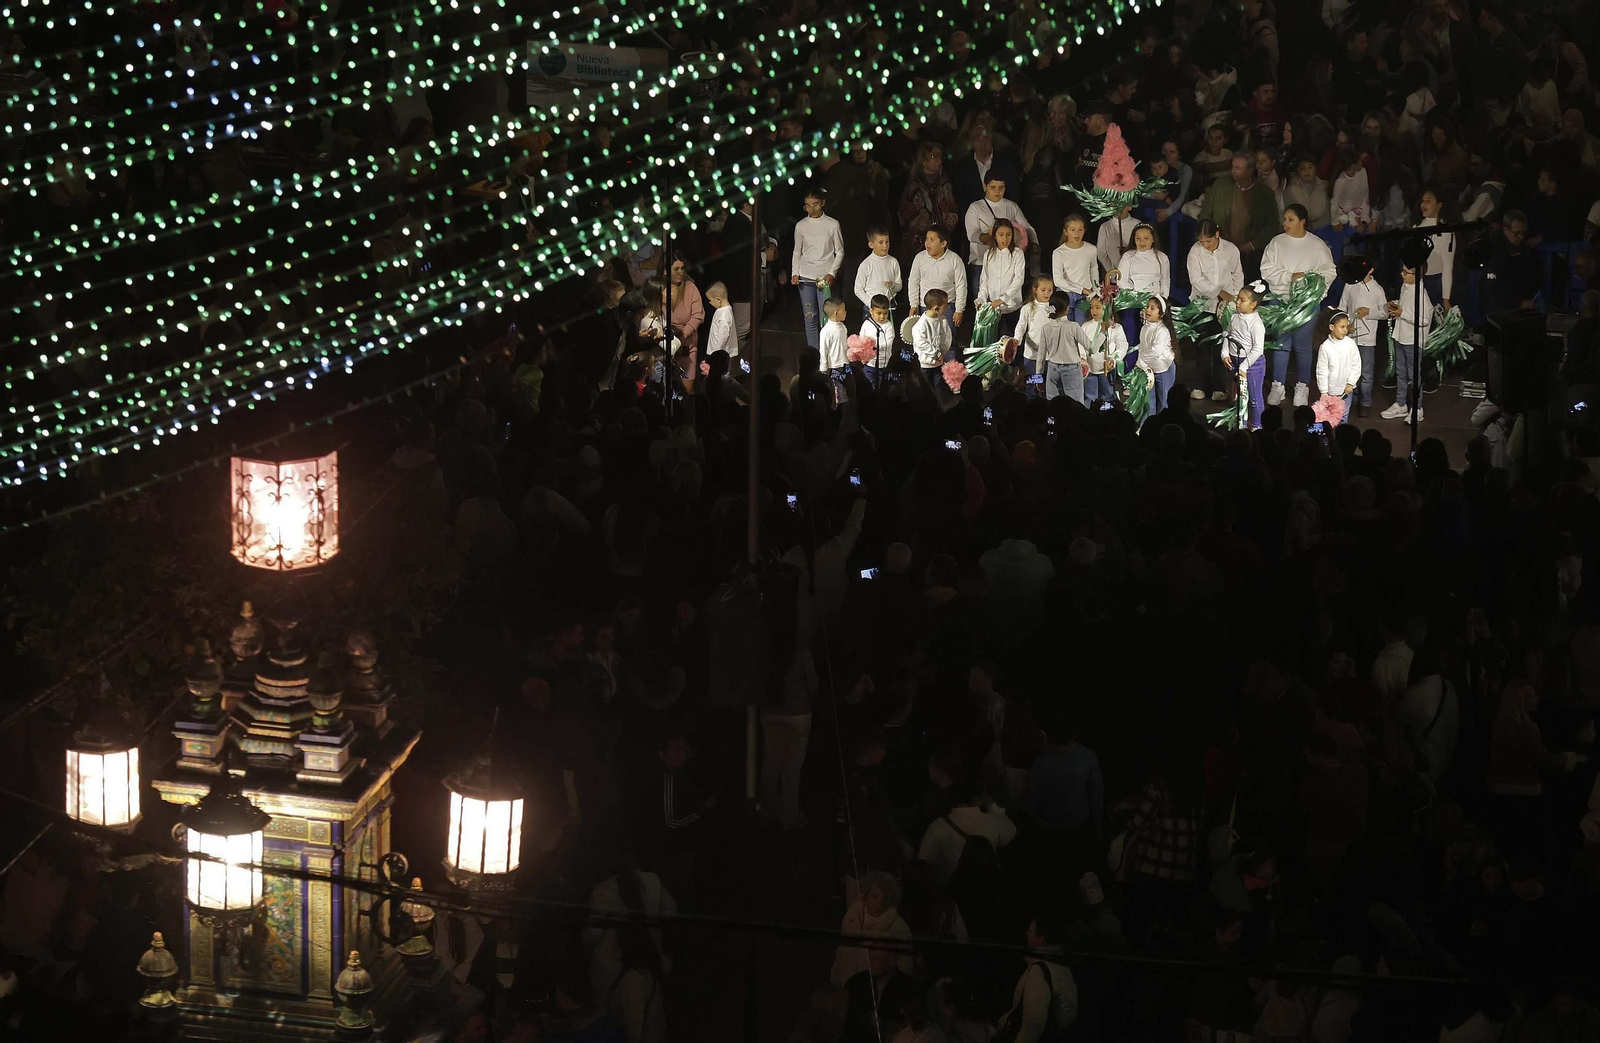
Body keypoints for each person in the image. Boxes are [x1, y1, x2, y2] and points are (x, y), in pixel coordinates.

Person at [1260, 203, 1337, 407]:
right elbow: (1267, 269)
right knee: (1281, 344)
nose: (1286, 223)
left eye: (1291, 219)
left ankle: (1302, 386)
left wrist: (1313, 292)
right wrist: (1290, 276)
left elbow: (1329, 272)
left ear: (1302, 222)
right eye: (1285, 219)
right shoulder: (1276, 243)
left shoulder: (1317, 245)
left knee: (1303, 346)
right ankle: (1278, 385)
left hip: (1306, 304)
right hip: (1282, 301)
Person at [916, 774, 1017, 885]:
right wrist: (991, 805)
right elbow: (1011, 831)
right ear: (982, 794)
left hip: (952, 890)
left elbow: (923, 864)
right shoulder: (993, 822)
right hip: (988, 888)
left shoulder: (937, 827)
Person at [996, 913, 1078, 1042]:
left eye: (1030, 930)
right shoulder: (1060, 965)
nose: (1026, 933)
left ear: (1041, 938)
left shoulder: (1039, 972)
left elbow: (1033, 1024)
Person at [1198, 154, 1281, 280]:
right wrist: (1211, 239)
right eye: (1232, 167)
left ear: (1250, 170)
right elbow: (1206, 212)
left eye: (1238, 168)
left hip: (1250, 256)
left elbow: (1273, 224)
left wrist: (1252, 245)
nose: (1233, 171)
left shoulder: (1264, 194)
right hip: (1220, 249)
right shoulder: (1221, 185)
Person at [1187, 220, 1244, 402]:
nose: (1204, 245)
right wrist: (1218, 292)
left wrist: (1235, 298)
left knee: (1221, 345)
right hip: (1202, 304)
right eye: (1201, 241)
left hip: (1225, 306)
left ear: (1217, 235)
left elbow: (1237, 274)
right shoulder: (1195, 251)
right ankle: (1200, 385)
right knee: (1202, 345)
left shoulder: (1231, 250)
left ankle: (1219, 386)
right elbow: (1196, 279)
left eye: (1208, 241)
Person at [829, 870, 914, 986]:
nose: (879, 903)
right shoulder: (851, 916)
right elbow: (841, 954)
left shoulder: (899, 928)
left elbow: (905, 969)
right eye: (874, 896)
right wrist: (835, 980)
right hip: (846, 988)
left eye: (884, 899)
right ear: (866, 895)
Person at [791, 188, 844, 349]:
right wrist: (795, 273)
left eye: (815, 204)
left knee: (826, 317)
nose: (811, 209)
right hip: (805, 277)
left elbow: (840, 251)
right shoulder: (801, 225)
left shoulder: (832, 224)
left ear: (823, 203)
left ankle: (827, 352)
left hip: (824, 278)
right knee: (810, 317)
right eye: (807, 206)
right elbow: (797, 251)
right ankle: (813, 352)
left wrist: (832, 273)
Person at [1381, 265, 1433, 422]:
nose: (1402, 274)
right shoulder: (1405, 287)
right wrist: (1395, 304)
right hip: (1401, 336)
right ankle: (1401, 404)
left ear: (1417, 275)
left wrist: (1402, 313)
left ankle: (1417, 408)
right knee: (1401, 373)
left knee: (1413, 375)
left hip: (1412, 341)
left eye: (1406, 272)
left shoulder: (1421, 295)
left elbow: (1424, 319)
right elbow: (1405, 305)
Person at [1338, 256, 1387, 418]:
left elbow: (1385, 313)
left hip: (1367, 339)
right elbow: (1342, 307)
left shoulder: (1377, 289)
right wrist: (1345, 325)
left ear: (1371, 270)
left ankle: (1365, 402)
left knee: (1366, 372)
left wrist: (1369, 312)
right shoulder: (1350, 285)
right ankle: (1350, 399)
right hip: (1350, 337)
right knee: (1349, 370)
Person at [898, 141, 960, 266]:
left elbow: (953, 208)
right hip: (918, 244)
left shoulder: (945, 184)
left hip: (942, 242)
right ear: (923, 160)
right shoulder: (913, 186)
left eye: (940, 157)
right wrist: (929, 233)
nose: (938, 160)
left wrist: (942, 231)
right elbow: (907, 214)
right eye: (934, 157)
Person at [1114, 223, 1172, 346]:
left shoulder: (1162, 257)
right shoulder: (1128, 256)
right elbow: (1121, 280)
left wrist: (1162, 300)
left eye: (1146, 238)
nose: (1142, 241)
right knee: (1130, 325)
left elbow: (1165, 279)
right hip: (1133, 301)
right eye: (1138, 238)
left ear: (1153, 239)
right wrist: (1136, 295)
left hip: (1155, 300)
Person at [1222, 281, 1268, 429]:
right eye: (1238, 298)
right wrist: (1225, 353)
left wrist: (1244, 367)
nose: (1237, 302)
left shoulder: (1256, 323)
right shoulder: (1235, 316)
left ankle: (1257, 426)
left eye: (1242, 300)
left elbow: (1258, 349)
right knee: (1239, 395)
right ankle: (1241, 425)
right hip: (1235, 360)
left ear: (1253, 304)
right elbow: (1228, 334)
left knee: (1254, 397)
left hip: (1251, 364)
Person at [908, 227, 968, 335]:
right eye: (926, 239)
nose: (927, 243)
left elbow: (961, 285)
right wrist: (914, 304)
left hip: (947, 307)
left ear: (943, 243)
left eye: (932, 240)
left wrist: (959, 310)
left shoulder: (955, 260)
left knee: (947, 338)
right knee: (926, 337)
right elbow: (913, 282)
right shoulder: (919, 258)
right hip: (925, 306)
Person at [977, 217, 1028, 337]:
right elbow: (985, 279)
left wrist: (1002, 299)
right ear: (995, 235)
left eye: (1008, 234)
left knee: (1009, 340)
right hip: (993, 308)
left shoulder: (1017, 254)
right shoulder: (989, 254)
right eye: (1001, 235)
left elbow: (1018, 279)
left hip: (1011, 307)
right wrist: (981, 299)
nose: (1005, 239)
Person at [1135, 295, 1178, 424]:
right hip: (1149, 369)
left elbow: (1156, 351)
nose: (1148, 310)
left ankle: (1163, 427)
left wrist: (1142, 361)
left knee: (1164, 401)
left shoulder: (1162, 331)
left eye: (1152, 308)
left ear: (1161, 314)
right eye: (1147, 307)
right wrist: (1140, 364)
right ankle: (1147, 427)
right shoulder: (1144, 328)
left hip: (1163, 369)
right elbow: (1142, 347)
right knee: (1149, 401)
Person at [1038, 289, 1085, 404]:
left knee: (1053, 405)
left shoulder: (1046, 328)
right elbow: (1091, 347)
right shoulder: (1073, 327)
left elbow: (1041, 355)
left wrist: (1038, 377)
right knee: (1075, 406)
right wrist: (1102, 333)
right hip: (1071, 369)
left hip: (1052, 369)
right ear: (1067, 308)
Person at [1012, 274, 1056, 396]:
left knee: (1047, 384)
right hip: (1032, 355)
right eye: (1043, 290)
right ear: (1035, 289)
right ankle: (1032, 402)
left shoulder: (1054, 308)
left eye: (1050, 290)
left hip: (1049, 355)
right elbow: (1021, 326)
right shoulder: (1027, 308)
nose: (1047, 293)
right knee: (1033, 382)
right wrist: (1017, 340)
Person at [1050, 214, 1100, 320]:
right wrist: (1082, 289)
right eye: (1073, 230)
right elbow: (1058, 280)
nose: (1077, 233)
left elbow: (1094, 270)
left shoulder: (1091, 249)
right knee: (1067, 328)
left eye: (1080, 230)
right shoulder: (1059, 252)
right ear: (1066, 232)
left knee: (1081, 327)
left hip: (1084, 297)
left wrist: (1096, 292)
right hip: (1065, 296)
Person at [1313, 308, 1361, 414]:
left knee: (1344, 414)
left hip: (1346, 389)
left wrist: (1350, 383)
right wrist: (1324, 391)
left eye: (1346, 327)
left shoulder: (1350, 344)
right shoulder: (1325, 347)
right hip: (1331, 391)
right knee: (1330, 415)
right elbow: (1322, 370)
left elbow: (1356, 365)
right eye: (1342, 327)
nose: (1345, 330)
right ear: (1332, 327)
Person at [1416, 186, 1455, 312]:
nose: (1423, 204)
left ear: (1439, 205)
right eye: (1423, 201)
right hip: (1417, 280)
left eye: (1428, 201)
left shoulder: (1445, 231)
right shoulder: (1418, 226)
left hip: (1435, 282)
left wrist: (1446, 299)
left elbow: (1448, 266)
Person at [854, 226, 905, 318]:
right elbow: (858, 289)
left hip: (889, 307)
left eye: (887, 242)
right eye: (881, 242)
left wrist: (893, 285)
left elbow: (899, 285)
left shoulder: (893, 262)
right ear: (871, 244)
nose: (885, 246)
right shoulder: (866, 264)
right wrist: (872, 304)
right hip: (871, 309)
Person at [913, 289, 954, 390]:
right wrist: (936, 354)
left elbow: (947, 337)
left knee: (938, 387)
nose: (947, 307)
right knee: (925, 388)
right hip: (925, 365)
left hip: (938, 363)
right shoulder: (921, 325)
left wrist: (942, 352)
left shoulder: (942, 320)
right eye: (946, 305)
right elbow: (921, 343)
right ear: (936, 308)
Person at [1282, 158, 1332, 231]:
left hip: (1321, 228)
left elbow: (1327, 215)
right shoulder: (1291, 189)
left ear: (1315, 170)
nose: (1306, 171)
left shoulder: (1323, 186)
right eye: (1302, 168)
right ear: (1297, 171)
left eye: (1310, 167)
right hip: (1298, 229)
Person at [1095, 206, 1141, 283]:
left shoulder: (1137, 225)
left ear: (1129, 207)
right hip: (1116, 278)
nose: (1117, 207)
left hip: (1136, 277)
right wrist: (1114, 273)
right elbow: (1101, 254)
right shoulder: (1105, 227)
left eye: (1121, 204)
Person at [818, 297, 851, 404]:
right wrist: (823, 369)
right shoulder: (826, 331)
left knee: (847, 390)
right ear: (836, 313)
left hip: (845, 364)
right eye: (844, 310)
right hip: (834, 367)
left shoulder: (842, 327)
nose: (846, 312)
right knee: (838, 393)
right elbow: (823, 351)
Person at [860, 294, 898, 385]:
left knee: (883, 388)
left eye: (885, 313)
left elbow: (888, 343)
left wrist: (873, 346)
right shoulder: (866, 324)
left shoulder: (888, 326)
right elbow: (861, 341)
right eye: (879, 313)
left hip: (884, 365)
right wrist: (863, 356)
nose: (882, 317)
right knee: (870, 387)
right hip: (870, 364)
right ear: (871, 311)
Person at [702, 282, 736, 362]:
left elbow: (723, 336)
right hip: (719, 353)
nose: (709, 303)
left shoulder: (724, 314)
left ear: (718, 299)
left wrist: (716, 353)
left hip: (722, 355)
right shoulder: (722, 310)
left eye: (710, 300)